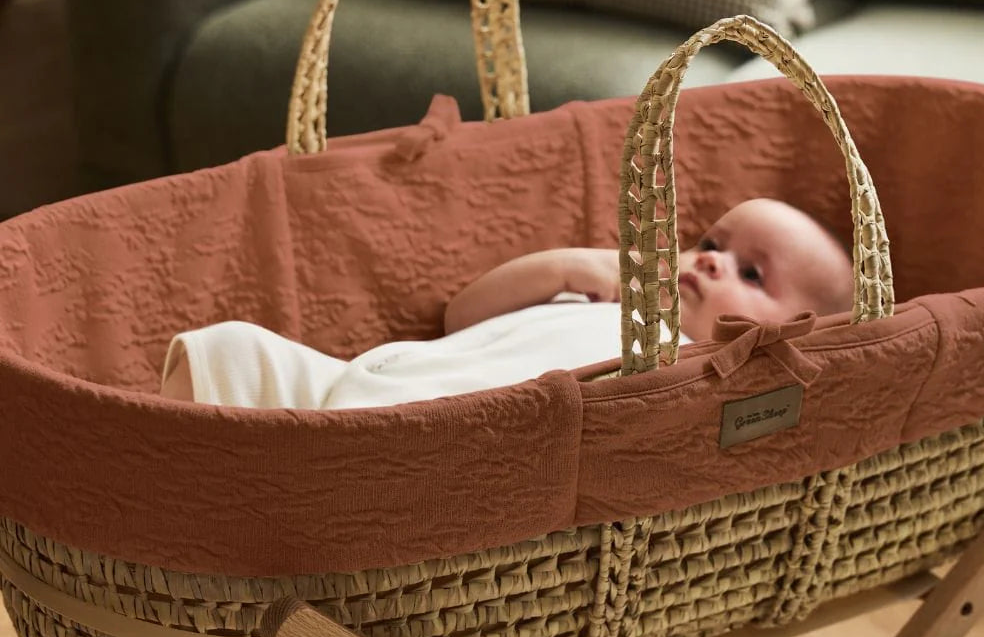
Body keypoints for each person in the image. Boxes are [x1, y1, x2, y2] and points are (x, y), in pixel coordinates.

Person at [160, 198, 851, 409]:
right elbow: (461, 315)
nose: (710, 260)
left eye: (751, 273)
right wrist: (567, 266)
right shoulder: (604, 295)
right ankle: (180, 501)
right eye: (711, 241)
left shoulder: (688, 381)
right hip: (371, 378)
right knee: (230, 350)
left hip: (438, 448)